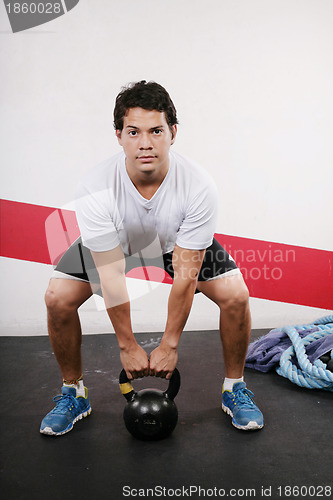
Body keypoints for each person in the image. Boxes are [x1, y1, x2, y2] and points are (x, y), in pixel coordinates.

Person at [40, 81, 263, 436]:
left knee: (236, 296)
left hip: (175, 246)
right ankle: (74, 392)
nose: (145, 143)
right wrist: (127, 346)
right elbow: (110, 278)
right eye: (134, 132)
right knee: (57, 298)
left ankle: (234, 387)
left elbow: (186, 276)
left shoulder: (198, 186)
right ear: (119, 136)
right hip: (117, 247)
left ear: (173, 133)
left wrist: (169, 345)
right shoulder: (95, 186)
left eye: (156, 131)